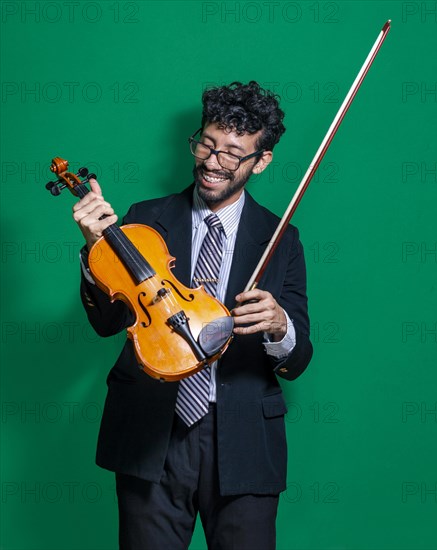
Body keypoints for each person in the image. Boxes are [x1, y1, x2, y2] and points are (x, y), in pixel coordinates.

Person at [73, 81, 313, 549]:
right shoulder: (143, 220)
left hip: (243, 437)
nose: (211, 162)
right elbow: (107, 323)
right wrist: (94, 249)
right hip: (152, 433)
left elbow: (298, 358)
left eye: (232, 153)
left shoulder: (281, 238)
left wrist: (279, 325)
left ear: (260, 161)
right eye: (206, 143)